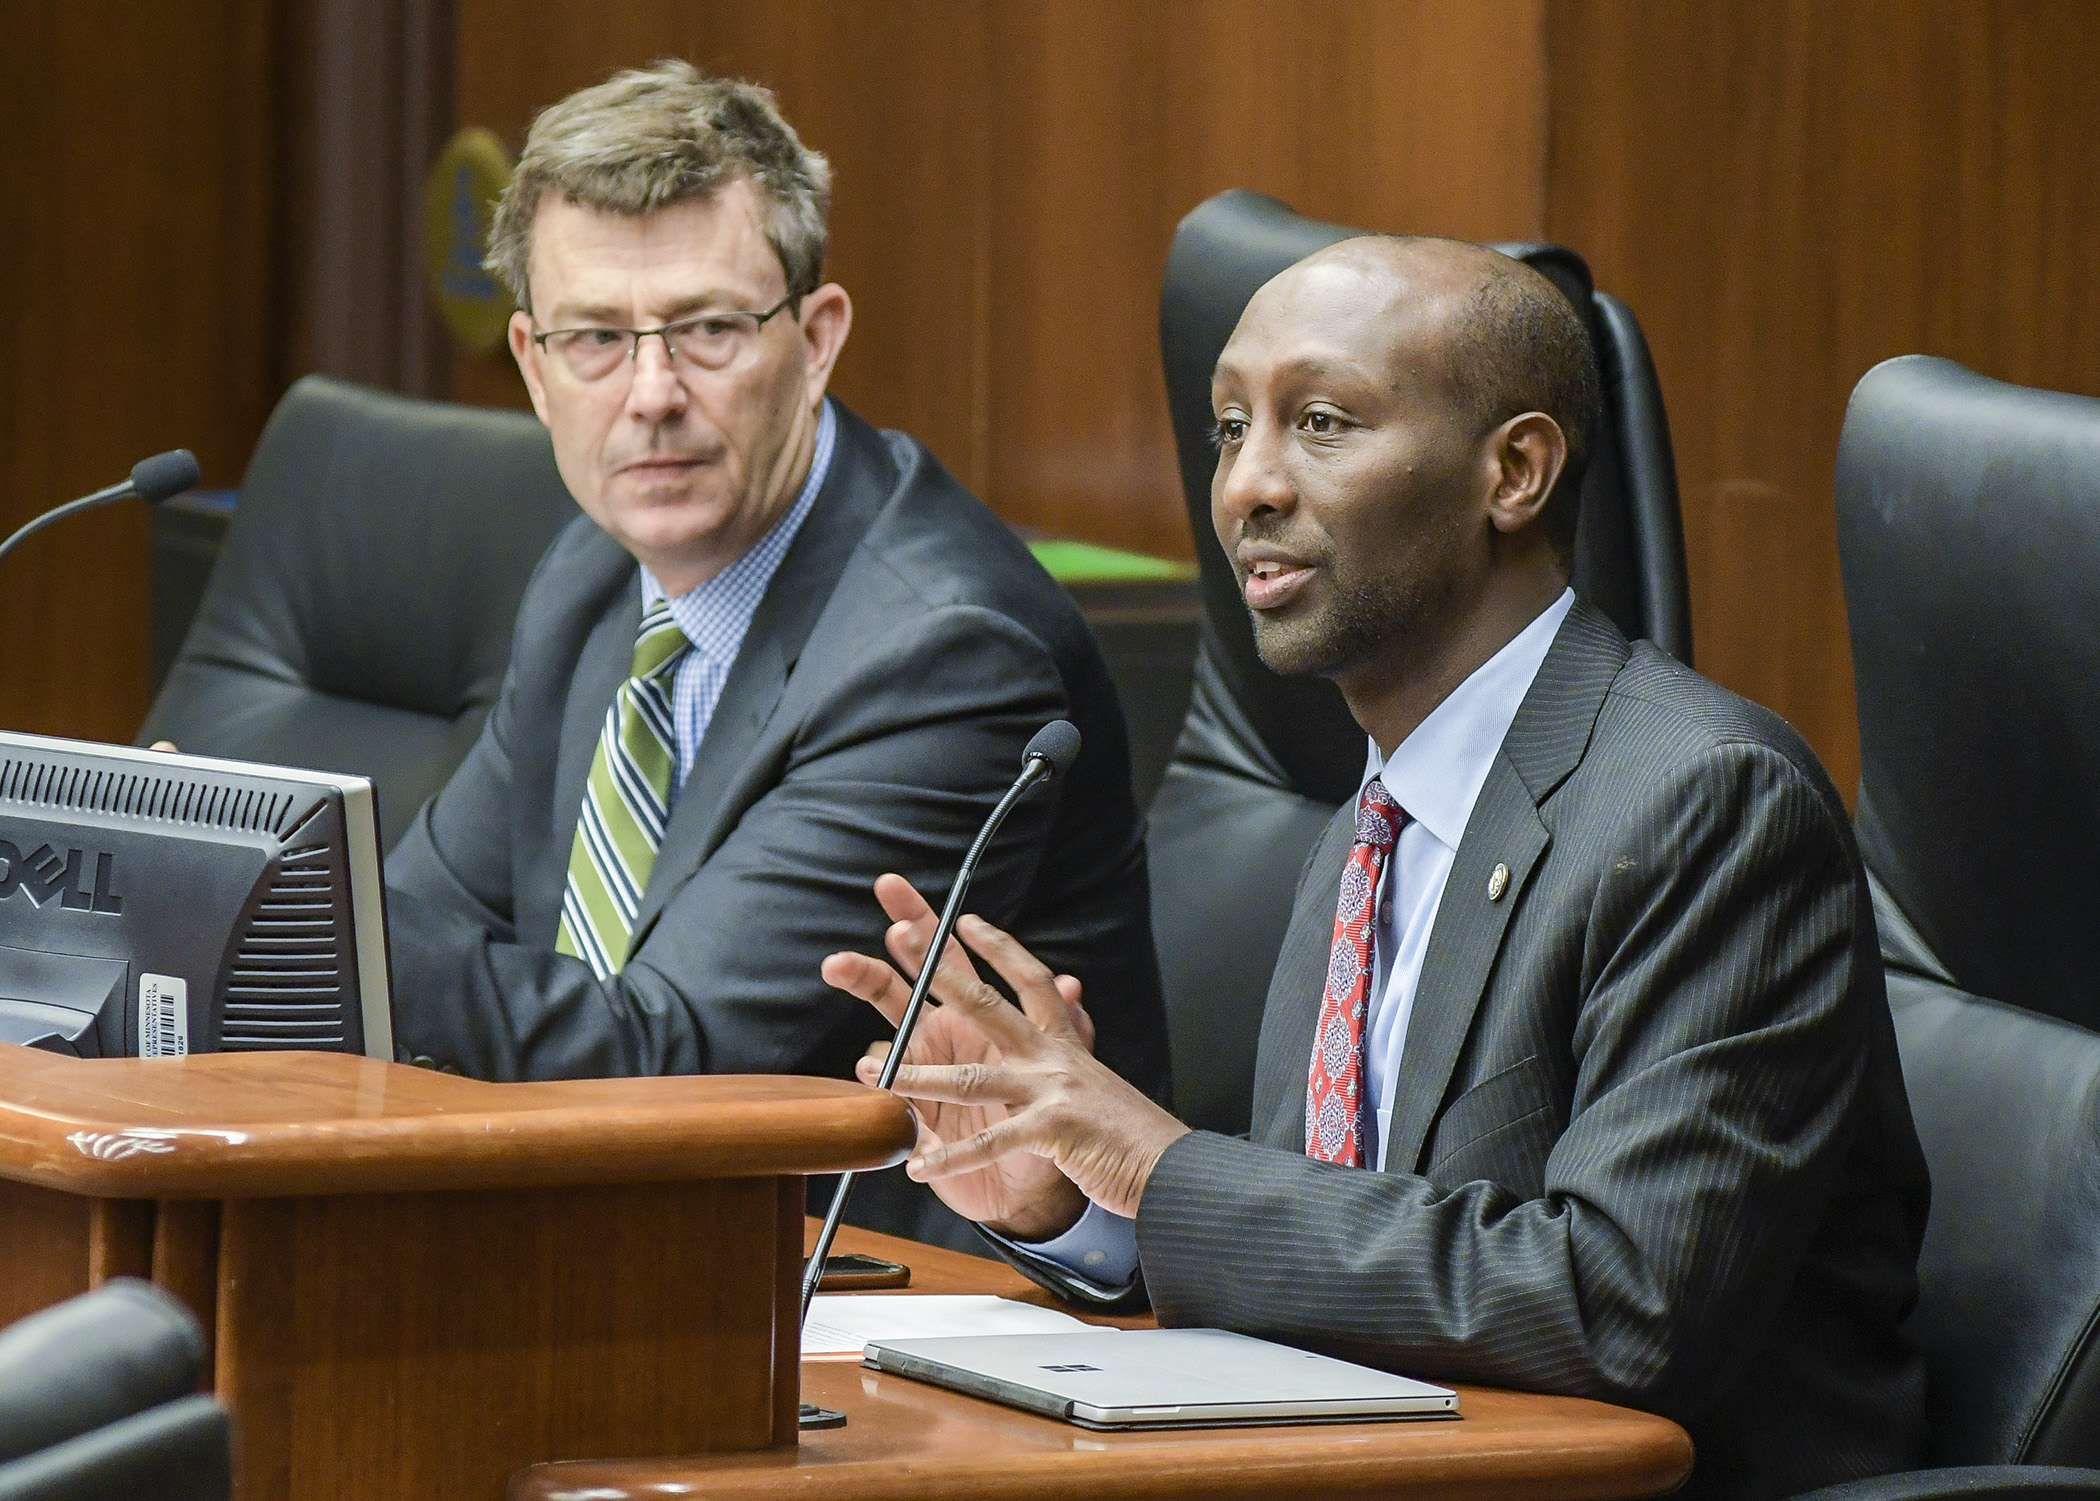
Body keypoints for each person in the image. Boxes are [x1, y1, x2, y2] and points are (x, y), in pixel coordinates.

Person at [822, 236, 1930, 1497]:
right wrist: (1079, 1204)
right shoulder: (1373, 815)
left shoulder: (1707, 806)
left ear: (1512, 471)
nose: (1247, 485)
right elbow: (1347, 1247)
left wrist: (1165, 1167)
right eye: (1230, 428)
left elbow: (1621, 1307)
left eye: (1325, 422)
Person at [383, 61, 1169, 1246]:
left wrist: (279, 915)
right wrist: (294, 913)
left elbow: (672, 1061)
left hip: (897, 1322)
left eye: (706, 329)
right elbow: (423, 919)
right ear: (535, 371)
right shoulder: (597, 576)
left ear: (816, 340)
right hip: (637, 1263)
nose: (651, 395)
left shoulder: (943, 652)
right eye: (595, 337)